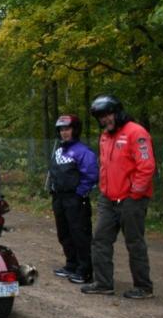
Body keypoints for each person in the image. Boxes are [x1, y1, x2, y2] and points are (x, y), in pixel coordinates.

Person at [81, 95, 156, 299]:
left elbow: (146, 166)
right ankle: (103, 283)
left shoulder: (136, 132)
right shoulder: (105, 136)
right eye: (100, 117)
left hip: (132, 199)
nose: (105, 120)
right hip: (109, 198)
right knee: (100, 240)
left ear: (117, 112)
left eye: (107, 114)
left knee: (134, 242)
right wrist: (104, 190)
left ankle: (143, 286)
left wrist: (135, 193)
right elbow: (105, 167)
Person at [48, 115, 99, 285]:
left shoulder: (83, 152)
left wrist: (80, 194)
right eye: (61, 130)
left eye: (67, 129)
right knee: (64, 233)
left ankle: (85, 270)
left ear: (75, 130)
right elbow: (54, 173)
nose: (64, 133)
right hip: (59, 198)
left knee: (80, 234)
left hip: (76, 199)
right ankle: (71, 264)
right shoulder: (58, 151)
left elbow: (91, 175)